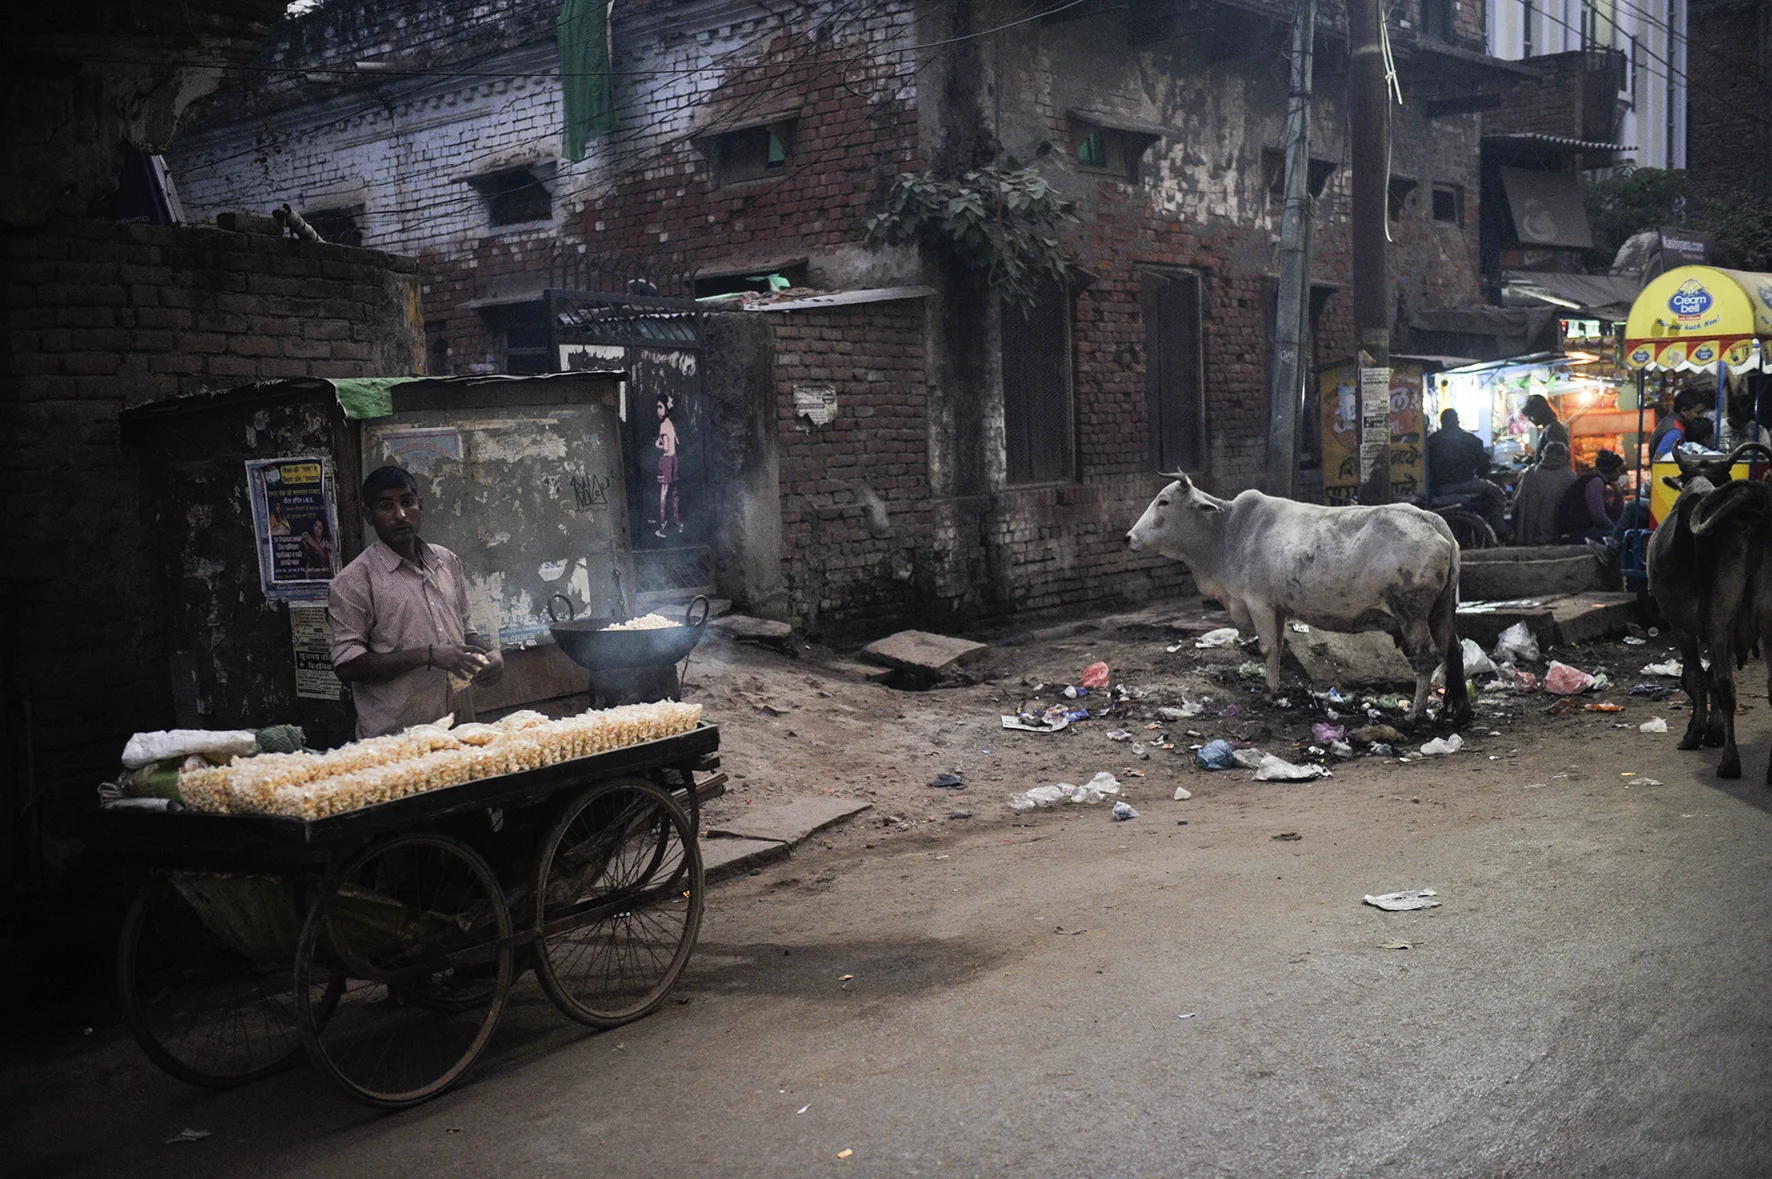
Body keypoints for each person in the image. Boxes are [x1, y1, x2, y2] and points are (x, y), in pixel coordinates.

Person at [329, 465, 503, 739]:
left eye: (407, 502)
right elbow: (347, 666)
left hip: (460, 731)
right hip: (397, 740)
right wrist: (428, 655)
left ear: (420, 505)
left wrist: (492, 654)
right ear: (368, 515)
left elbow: (466, 630)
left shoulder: (446, 561)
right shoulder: (354, 581)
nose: (400, 515)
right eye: (386, 506)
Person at [1425, 408, 1508, 539]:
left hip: (1440, 489)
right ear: (1457, 421)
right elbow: (1484, 466)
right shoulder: (1470, 439)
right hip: (1466, 483)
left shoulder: (1431, 441)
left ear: (1442, 422)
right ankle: (1500, 531)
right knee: (1498, 494)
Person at [1510, 440, 1578, 545]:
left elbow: (1516, 506)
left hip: (1532, 539)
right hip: (1561, 539)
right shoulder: (1571, 477)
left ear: (1544, 455)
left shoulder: (1530, 475)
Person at [1654, 386, 1714, 458]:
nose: (1701, 416)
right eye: (1698, 412)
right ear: (1684, 411)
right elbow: (1659, 460)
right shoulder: (1675, 431)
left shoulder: (1671, 421)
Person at [653, 396, 682, 539]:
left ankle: (663, 526)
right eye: (657, 407)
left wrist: (656, 444)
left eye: (660, 407)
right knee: (674, 493)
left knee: (663, 494)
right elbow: (677, 443)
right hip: (674, 460)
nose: (658, 410)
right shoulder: (671, 424)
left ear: (666, 408)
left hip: (666, 460)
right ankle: (677, 523)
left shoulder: (663, 425)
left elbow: (665, 447)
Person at [1718, 388, 1770, 454]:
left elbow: (1766, 456)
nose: (1740, 424)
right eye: (1737, 420)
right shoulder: (1718, 428)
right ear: (1729, 414)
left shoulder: (1760, 431)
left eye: (1745, 421)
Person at [1522, 394, 1570, 462]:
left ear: (1539, 412)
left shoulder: (1552, 429)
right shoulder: (1550, 428)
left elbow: (1553, 461)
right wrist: (1532, 458)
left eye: (1531, 416)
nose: (1530, 419)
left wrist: (1533, 456)